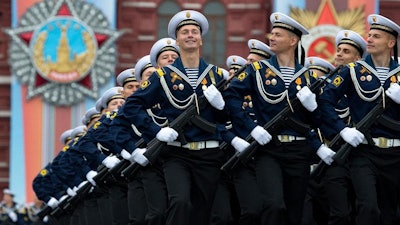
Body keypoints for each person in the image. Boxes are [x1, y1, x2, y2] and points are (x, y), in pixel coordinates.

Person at [119, 10, 249, 225]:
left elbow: (228, 117)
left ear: (200, 39)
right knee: (180, 203)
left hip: (210, 153)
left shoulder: (216, 75)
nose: (190, 35)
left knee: (212, 213)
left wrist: (220, 105)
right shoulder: (163, 76)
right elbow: (132, 106)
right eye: (185, 32)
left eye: (194, 32)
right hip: (177, 154)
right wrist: (156, 131)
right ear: (177, 39)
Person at [223, 12, 335, 225]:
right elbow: (231, 95)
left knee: (295, 212)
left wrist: (313, 108)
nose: (271, 38)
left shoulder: (309, 77)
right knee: (274, 205)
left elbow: (319, 121)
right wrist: (251, 127)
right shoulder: (257, 70)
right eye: (271, 34)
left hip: (299, 151)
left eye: (277, 34)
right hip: (269, 151)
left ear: (293, 40)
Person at [320, 14, 400, 225]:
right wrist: (343, 130)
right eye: (369, 35)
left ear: (391, 42)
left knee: (390, 213)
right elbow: (325, 102)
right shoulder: (353, 71)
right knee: (368, 207)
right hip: (364, 153)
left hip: (396, 154)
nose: (370, 39)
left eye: (376, 36)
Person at [315, 30, 367, 225]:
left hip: (363, 155)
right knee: (339, 214)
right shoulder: (324, 88)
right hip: (334, 155)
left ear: (358, 58)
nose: (338, 54)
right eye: (338, 50)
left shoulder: (367, 87)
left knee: (364, 209)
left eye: (346, 51)